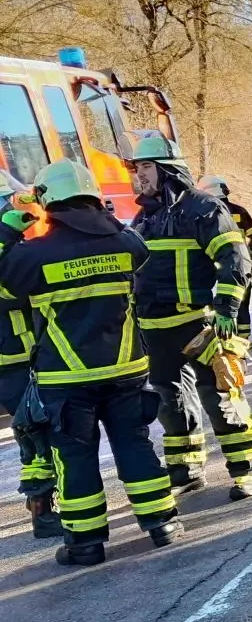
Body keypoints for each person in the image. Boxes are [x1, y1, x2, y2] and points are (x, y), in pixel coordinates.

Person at [0, 161, 183, 565]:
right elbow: (136, 248)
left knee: (75, 457)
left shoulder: (33, 255)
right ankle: (162, 524)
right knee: (135, 445)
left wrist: (11, 227)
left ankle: (85, 544)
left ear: (48, 201)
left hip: (66, 378)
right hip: (126, 371)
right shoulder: (125, 242)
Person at [126, 136, 252, 500]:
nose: (138, 176)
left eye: (144, 168)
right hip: (155, 328)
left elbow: (236, 259)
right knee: (169, 402)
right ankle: (186, 469)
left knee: (219, 395)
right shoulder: (144, 216)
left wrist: (227, 310)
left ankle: (245, 469)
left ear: (167, 170)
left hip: (199, 323)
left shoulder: (203, 208)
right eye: (136, 169)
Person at [0, 169, 63, 540]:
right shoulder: (8, 252)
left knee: (34, 431)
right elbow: (15, 291)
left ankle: (42, 506)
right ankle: (42, 510)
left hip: (18, 358)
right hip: (15, 359)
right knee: (38, 433)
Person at [197, 176, 252, 339]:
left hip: (211, 272)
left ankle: (222, 341)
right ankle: (243, 342)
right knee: (241, 306)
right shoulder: (239, 212)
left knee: (213, 308)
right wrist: (246, 260)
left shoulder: (201, 214)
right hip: (239, 270)